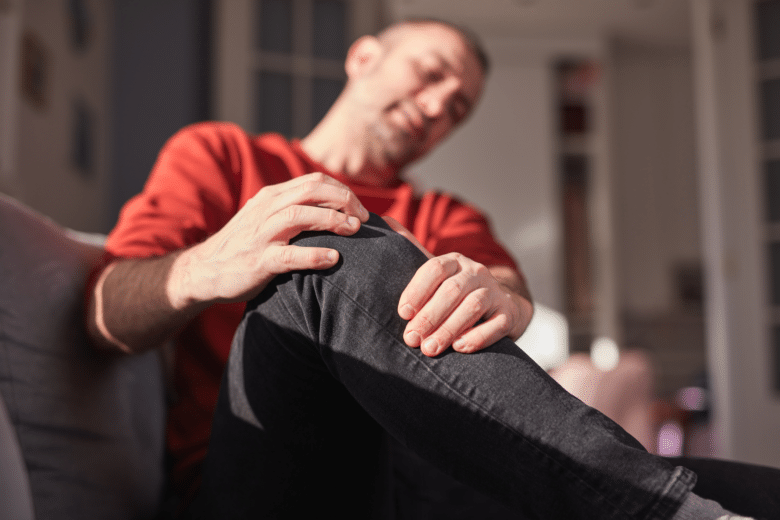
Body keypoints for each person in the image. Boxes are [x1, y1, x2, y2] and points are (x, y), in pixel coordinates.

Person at [87, 19, 768, 519]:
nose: (442, 105)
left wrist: (501, 297)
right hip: (264, 476)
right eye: (432, 72)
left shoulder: (442, 212)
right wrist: (211, 264)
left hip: (426, 481)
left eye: (459, 107)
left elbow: (508, 288)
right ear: (364, 57)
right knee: (330, 245)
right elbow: (104, 312)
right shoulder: (222, 156)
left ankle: (667, 505)